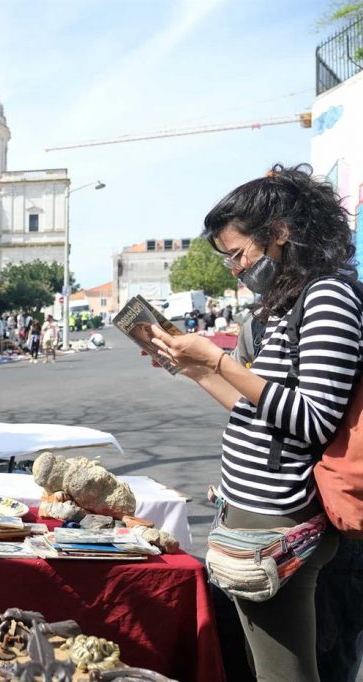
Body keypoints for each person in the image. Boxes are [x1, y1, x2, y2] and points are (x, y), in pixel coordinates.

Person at [147, 164, 360, 681]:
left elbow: (310, 419)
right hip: (249, 519)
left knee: (284, 674)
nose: (235, 270)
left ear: (280, 233)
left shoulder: (329, 296)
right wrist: (193, 367)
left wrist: (219, 361)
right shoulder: (276, 308)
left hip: (282, 525)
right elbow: (256, 410)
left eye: (239, 254)